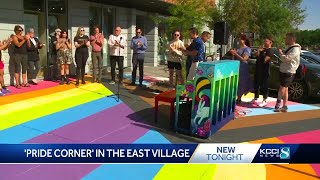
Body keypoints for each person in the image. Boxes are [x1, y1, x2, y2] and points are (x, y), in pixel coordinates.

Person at [275, 33, 301, 112]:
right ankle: (285, 106)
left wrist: (280, 52)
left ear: (292, 39)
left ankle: (277, 105)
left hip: (289, 71)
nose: (285, 40)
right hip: (284, 70)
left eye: (286, 39)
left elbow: (286, 59)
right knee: (285, 88)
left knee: (282, 87)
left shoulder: (295, 49)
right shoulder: (290, 48)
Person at [229, 34, 252, 104]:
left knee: (241, 83)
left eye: (241, 39)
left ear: (244, 40)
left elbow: (244, 59)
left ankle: (239, 98)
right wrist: (233, 55)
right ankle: (234, 97)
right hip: (236, 67)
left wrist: (236, 54)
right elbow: (234, 58)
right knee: (234, 83)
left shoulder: (247, 49)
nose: (239, 41)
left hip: (243, 68)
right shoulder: (238, 48)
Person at [252, 36, 274, 107]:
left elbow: (265, 60)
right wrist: (258, 50)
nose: (265, 42)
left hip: (265, 71)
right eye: (264, 41)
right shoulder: (262, 50)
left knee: (265, 85)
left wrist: (261, 54)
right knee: (256, 83)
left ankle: (264, 99)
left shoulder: (270, 51)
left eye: (266, 41)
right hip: (258, 69)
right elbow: (255, 55)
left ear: (270, 42)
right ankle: (256, 98)